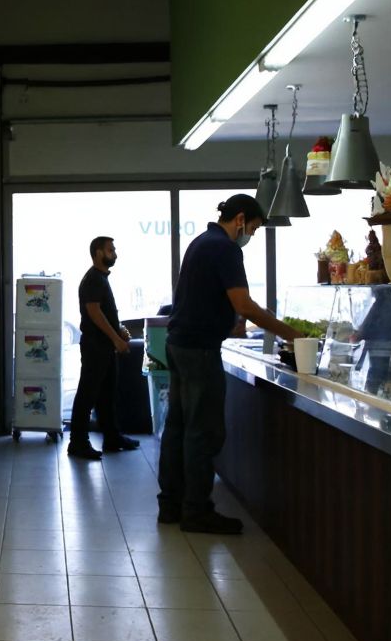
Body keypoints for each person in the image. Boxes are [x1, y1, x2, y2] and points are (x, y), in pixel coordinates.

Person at [158, 194, 300, 534]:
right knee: (203, 431)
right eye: (253, 228)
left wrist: (230, 319)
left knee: (178, 427)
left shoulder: (201, 242)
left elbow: (212, 300)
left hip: (179, 344)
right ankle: (197, 511)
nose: (250, 235)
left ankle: (171, 505)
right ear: (240, 220)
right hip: (200, 351)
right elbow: (244, 304)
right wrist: (290, 333)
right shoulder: (225, 248)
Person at [67, 236, 141, 460]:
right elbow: (94, 312)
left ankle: (112, 437)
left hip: (104, 346)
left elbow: (104, 312)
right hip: (95, 346)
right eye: (110, 250)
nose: (115, 254)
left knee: (107, 394)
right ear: (98, 253)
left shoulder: (101, 278)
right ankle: (78, 442)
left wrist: (118, 330)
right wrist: (116, 339)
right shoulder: (93, 279)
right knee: (87, 394)